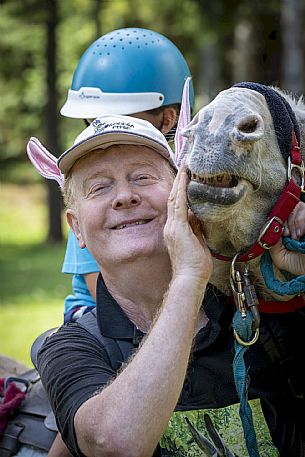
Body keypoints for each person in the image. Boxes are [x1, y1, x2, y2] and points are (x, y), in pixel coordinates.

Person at [37, 114, 305, 457]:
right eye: (99, 187)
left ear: (182, 190)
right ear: (76, 228)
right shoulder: (70, 348)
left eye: (143, 177)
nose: (124, 196)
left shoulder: (260, 308)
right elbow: (116, 445)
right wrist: (189, 279)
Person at [59, 27, 194, 323]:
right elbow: (110, 296)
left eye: (120, 119)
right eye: (94, 122)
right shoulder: (97, 209)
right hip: (106, 316)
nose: (107, 133)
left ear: (167, 119)